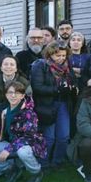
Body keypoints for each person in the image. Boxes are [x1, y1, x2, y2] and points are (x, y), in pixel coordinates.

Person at [0, 82, 46, 182]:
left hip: (28, 144)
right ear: (6, 95)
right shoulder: (5, 111)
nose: (13, 95)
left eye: (17, 93)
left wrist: (8, 149)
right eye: (10, 92)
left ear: (23, 95)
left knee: (22, 152)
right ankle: (12, 170)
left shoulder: (29, 113)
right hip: (11, 143)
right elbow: (1, 127)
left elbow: (28, 136)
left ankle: (36, 173)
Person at [31, 42, 78, 170]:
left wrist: (72, 87)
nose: (61, 58)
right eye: (58, 55)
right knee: (49, 137)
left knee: (64, 136)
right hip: (47, 105)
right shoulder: (41, 65)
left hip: (64, 104)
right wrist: (57, 89)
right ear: (50, 54)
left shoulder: (67, 67)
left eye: (64, 55)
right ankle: (44, 162)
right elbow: (37, 87)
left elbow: (73, 81)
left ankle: (57, 161)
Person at [0, 55, 31, 132]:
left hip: (18, 121)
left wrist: (15, 109)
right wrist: (0, 108)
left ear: (16, 68)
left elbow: (29, 100)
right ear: (1, 67)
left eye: (12, 64)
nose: (8, 67)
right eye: (5, 64)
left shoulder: (24, 83)